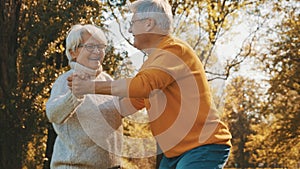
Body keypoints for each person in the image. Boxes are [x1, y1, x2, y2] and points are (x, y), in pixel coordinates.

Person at [68, 0, 232, 168]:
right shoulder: (152, 63)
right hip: (175, 153)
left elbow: (143, 86)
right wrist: (81, 112)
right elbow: (133, 102)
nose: (130, 29)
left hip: (203, 146)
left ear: (148, 24)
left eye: (133, 23)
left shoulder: (174, 51)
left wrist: (91, 86)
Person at [46, 24, 122, 169]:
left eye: (101, 46)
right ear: (73, 51)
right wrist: (74, 96)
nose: (97, 51)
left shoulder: (108, 80)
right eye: (91, 46)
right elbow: (52, 114)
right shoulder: (66, 80)